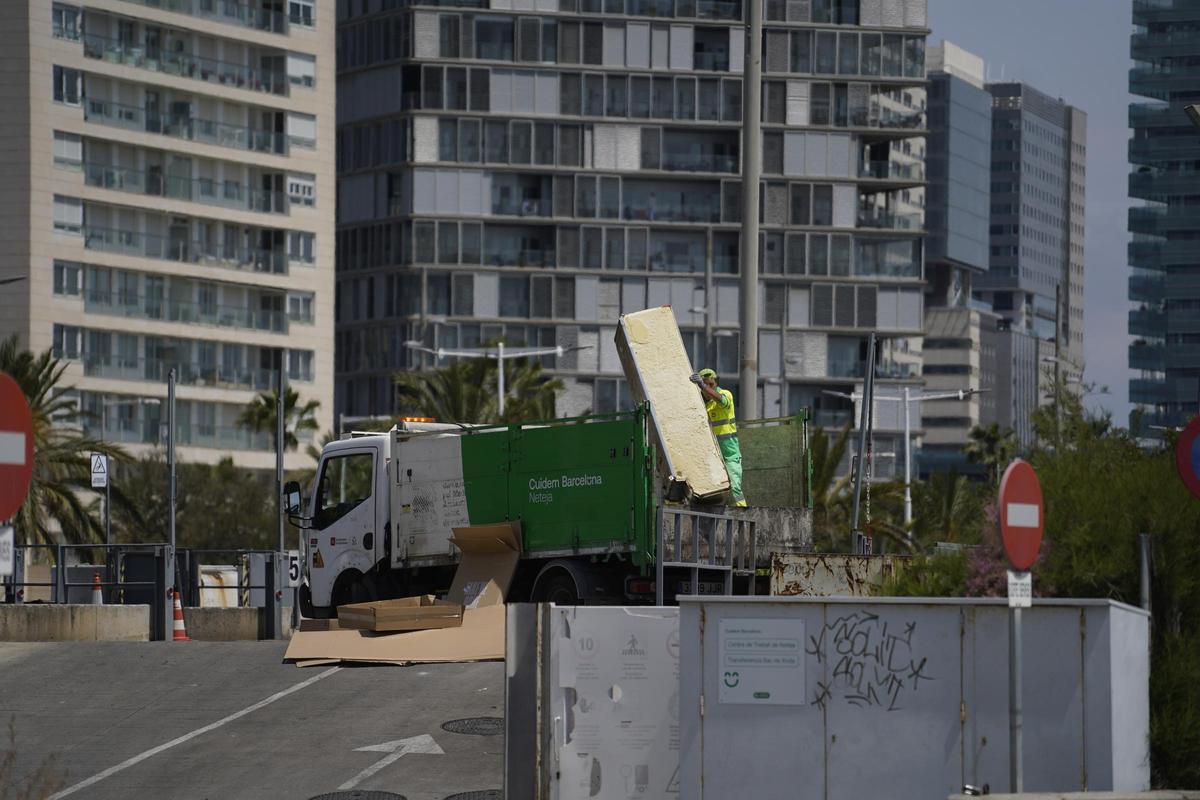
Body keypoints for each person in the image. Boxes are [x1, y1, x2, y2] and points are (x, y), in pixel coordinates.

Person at [689, 368, 747, 508]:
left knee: (735, 487)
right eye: (705, 385)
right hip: (714, 456)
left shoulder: (724, 394)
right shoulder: (704, 406)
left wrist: (702, 386)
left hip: (730, 454)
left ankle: (743, 514)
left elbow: (722, 400)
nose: (708, 387)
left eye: (711, 384)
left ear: (716, 383)